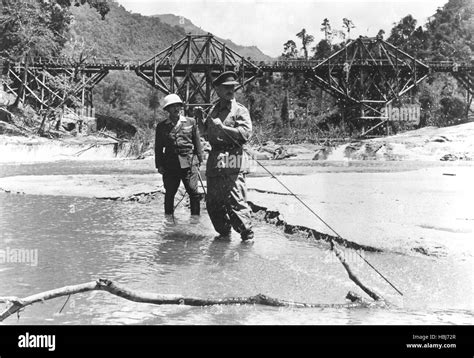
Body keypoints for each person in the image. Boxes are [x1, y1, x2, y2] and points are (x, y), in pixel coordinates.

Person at [197, 71, 254, 241]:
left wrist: (224, 128)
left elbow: (245, 134)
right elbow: (206, 134)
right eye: (226, 87)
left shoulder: (239, 110)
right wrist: (200, 120)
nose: (231, 90)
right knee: (213, 203)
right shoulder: (213, 110)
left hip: (233, 156)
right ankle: (223, 238)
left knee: (235, 200)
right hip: (215, 159)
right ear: (217, 89)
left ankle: (247, 236)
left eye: (233, 87)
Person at [155, 93, 203, 216]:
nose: (176, 109)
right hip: (170, 165)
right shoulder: (161, 127)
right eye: (173, 106)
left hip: (189, 163)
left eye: (178, 106)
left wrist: (199, 160)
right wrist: (159, 165)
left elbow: (197, 143)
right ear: (167, 109)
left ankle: (195, 220)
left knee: (194, 192)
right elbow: (158, 148)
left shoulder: (191, 122)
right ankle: (168, 220)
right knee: (170, 193)